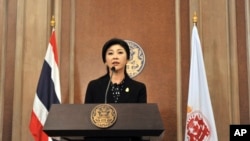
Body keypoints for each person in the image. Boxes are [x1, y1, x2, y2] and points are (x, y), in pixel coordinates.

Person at [84, 38, 147, 141]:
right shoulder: (94, 86)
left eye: (120, 52)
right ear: (105, 61)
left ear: (127, 59)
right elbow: (87, 120)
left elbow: (141, 122)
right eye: (110, 53)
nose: (115, 57)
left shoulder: (138, 88)